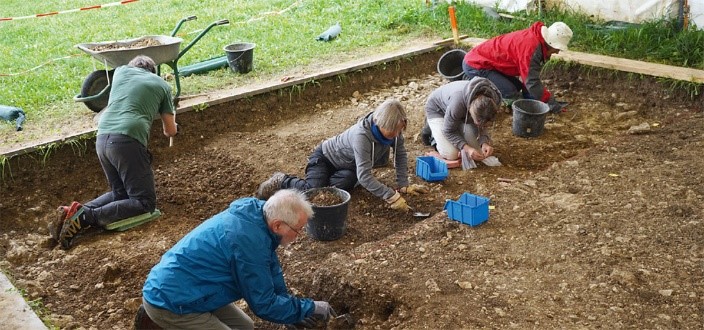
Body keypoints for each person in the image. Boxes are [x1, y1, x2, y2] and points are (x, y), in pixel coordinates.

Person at [141, 189, 336, 329]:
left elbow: (271, 271)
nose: (299, 235)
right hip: (170, 301)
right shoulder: (249, 243)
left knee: (245, 325)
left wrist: (292, 312)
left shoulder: (258, 217)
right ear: (278, 226)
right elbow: (264, 304)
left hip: (194, 287)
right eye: (298, 230)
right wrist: (310, 307)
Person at [49, 55, 178, 249]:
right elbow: (170, 131)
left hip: (102, 137)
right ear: (152, 71)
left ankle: (74, 212)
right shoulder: (162, 85)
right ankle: (86, 217)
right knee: (144, 202)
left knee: (120, 192)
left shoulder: (120, 72)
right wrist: (174, 124)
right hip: (127, 140)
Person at [256, 99, 428, 211]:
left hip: (349, 165)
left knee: (336, 192)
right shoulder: (362, 136)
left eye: (399, 130)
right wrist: (390, 195)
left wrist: (403, 184)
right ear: (378, 121)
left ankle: (329, 182)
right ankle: (281, 180)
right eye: (392, 130)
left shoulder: (394, 132)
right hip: (325, 158)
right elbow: (365, 176)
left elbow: (400, 154)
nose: (395, 134)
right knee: (314, 193)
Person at [462, 21, 573, 113]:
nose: (557, 52)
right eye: (557, 49)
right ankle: (511, 108)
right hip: (476, 65)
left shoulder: (537, 40)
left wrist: (536, 94)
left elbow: (528, 77)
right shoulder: (531, 48)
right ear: (551, 44)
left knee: (518, 86)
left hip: (489, 64)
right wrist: (550, 101)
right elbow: (532, 81)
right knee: (510, 92)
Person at [421, 77, 502, 163]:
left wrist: (484, 142)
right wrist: (467, 148)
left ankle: (457, 124)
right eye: (477, 121)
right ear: (471, 110)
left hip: (460, 114)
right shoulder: (458, 103)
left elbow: (484, 121)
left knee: (478, 150)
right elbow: (448, 131)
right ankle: (432, 133)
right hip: (438, 109)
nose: (477, 124)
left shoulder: (493, 103)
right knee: (452, 154)